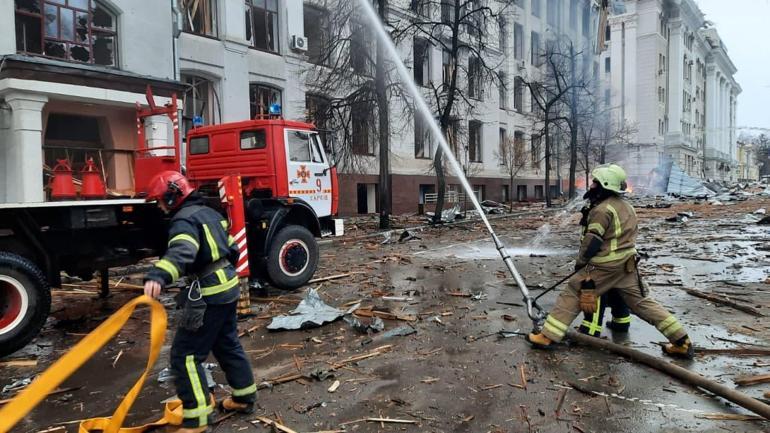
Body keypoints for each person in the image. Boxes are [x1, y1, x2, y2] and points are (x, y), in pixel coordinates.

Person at [527, 164, 694, 359]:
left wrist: (581, 263)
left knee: (572, 293)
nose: (592, 186)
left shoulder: (602, 210)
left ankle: (547, 337)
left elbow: (592, 241)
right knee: (642, 302)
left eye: (595, 183)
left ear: (604, 185)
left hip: (604, 266)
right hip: (627, 265)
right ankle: (681, 341)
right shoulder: (626, 207)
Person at [143, 171, 256, 433]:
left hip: (209, 293)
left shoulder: (183, 221)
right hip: (229, 285)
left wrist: (159, 275)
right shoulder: (211, 213)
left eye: (160, 201)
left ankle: (196, 420)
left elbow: (183, 251)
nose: (160, 207)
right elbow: (233, 248)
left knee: (184, 356)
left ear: (172, 196)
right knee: (227, 344)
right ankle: (244, 397)